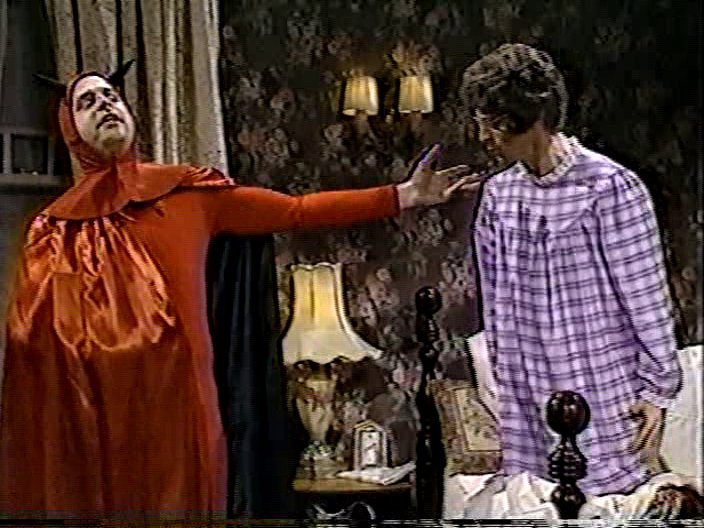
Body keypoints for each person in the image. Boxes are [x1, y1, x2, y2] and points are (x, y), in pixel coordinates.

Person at [0, 65, 478, 519]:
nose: (105, 105)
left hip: (182, 409)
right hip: (97, 417)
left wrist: (402, 196)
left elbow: (296, 210)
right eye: (87, 102)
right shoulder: (54, 230)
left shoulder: (187, 193)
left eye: (111, 96)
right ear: (71, 130)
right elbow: (36, 343)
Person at [462, 43, 682, 495]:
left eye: (494, 124)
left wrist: (657, 390)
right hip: (526, 385)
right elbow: (494, 300)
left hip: (599, 382)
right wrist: (505, 374)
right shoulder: (499, 196)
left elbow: (646, 297)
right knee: (534, 500)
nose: (484, 137)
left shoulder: (609, 187)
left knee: (603, 504)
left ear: (533, 120)